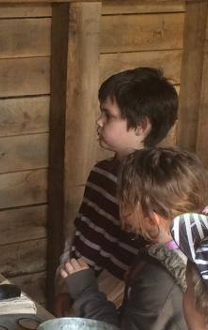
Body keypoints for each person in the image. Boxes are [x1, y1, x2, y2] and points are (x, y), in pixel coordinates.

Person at [57, 147, 208, 330]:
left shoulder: (163, 276)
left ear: (152, 218)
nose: (120, 210)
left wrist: (83, 289)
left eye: (125, 203)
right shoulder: (205, 243)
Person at [54, 67, 178, 315]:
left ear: (141, 127)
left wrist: (87, 299)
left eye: (108, 115)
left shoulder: (152, 194)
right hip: (75, 284)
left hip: (110, 306)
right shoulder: (101, 172)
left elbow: (136, 267)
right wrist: (65, 288)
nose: (99, 121)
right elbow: (81, 233)